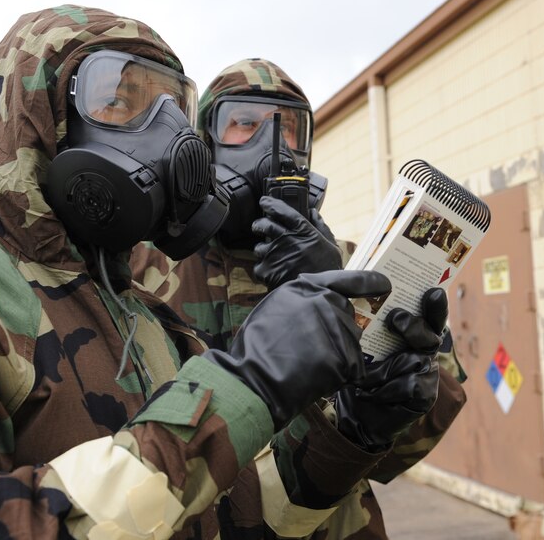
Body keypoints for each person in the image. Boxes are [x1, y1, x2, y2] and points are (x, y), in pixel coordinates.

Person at [0, 6, 443, 539]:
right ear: (39, 116)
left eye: (174, 109)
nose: (169, 139)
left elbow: (224, 515)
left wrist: (350, 431)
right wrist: (246, 385)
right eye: (121, 102)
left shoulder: (146, 317)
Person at [131, 58, 468, 539]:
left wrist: (332, 282)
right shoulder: (148, 266)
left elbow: (408, 442)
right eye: (244, 123)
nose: (273, 148)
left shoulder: (358, 265)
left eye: (290, 130)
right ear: (204, 141)